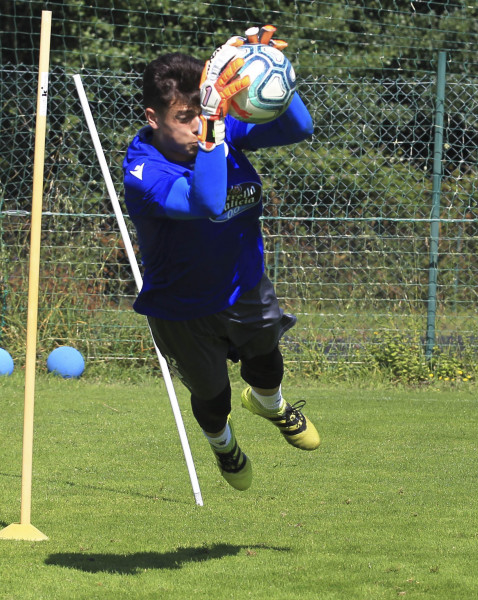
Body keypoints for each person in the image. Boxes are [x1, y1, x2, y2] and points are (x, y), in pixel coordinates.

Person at [121, 25, 319, 492]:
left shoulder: (219, 126)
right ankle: (223, 444)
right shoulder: (143, 171)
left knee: (267, 364)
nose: (194, 126)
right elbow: (207, 201)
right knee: (213, 398)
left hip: (243, 283)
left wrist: (270, 75)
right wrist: (212, 128)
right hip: (182, 307)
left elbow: (300, 127)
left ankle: (270, 405)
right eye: (184, 117)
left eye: (200, 114)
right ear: (153, 116)